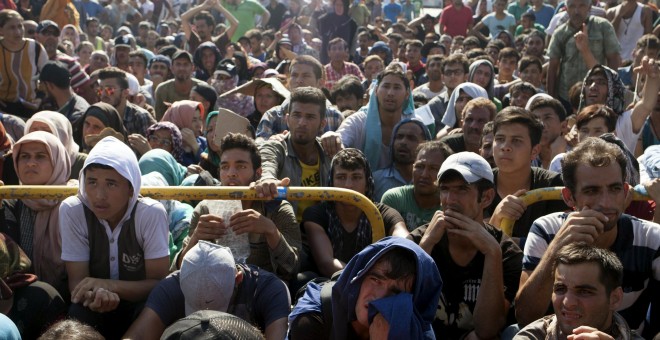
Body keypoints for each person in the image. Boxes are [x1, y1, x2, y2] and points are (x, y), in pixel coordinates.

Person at [514, 138, 660, 338]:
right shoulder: (547, 229)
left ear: (626, 192)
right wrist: (558, 246)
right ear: (569, 197)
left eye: (615, 189)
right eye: (592, 191)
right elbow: (525, 316)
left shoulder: (652, 239)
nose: (606, 202)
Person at [59, 136, 170, 339]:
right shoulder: (73, 210)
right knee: (78, 314)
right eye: (92, 182)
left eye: (111, 184)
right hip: (94, 304)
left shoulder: (150, 214)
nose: (99, 195)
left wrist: (110, 286)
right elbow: (77, 283)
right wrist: (97, 296)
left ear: (131, 187)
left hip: (140, 306)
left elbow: (158, 283)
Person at [409, 152, 523, 339]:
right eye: (445, 189)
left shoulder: (505, 252)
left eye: (462, 189)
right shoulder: (421, 239)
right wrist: (425, 247)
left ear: (486, 198)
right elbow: (400, 307)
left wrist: (491, 253)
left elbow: (487, 330)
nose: (450, 200)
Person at [175, 133, 302, 282]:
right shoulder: (205, 209)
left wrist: (271, 231)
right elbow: (180, 270)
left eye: (240, 166)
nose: (231, 174)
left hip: (261, 291)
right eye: (225, 167)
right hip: (212, 290)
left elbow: (293, 269)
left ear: (258, 173)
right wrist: (196, 237)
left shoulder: (277, 209)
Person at [125, 240, 290, 339]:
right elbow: (137, 336)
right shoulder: (170, 288)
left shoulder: (269, 290)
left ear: (238, 279)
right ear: (181, 280)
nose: (207, 315)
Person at [289, 237, 442, 339]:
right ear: (358, 278)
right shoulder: (312, 321)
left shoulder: (416, 331)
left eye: (396, 292)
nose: (379, 297)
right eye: (375, 280)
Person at [301, 148, 409, 278]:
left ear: (367, 184)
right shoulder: (316, 214)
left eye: (356, 177)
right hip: (330, 283)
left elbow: (405, 242)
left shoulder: (383, 213)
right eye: (341, 177)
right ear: (331, 182)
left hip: (375, 285)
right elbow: (326, 263)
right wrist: (363, 279)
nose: (348, 185)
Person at [515, 243, 642, 340]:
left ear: (615, 298)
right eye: (560, 289)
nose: (568, 302)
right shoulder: (532, 336)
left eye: (584, 292)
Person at [322, 64, 434, 171]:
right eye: (385, 86)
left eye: (397, 87)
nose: (390, 93)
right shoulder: (359, 121)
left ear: (407, 94)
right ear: (376, 91)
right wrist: (331, 136)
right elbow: (340, 139)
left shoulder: (415, 124)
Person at [2, 132, 71, 297]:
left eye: (40, 156)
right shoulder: (9, 201)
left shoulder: (75, 201)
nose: (31, 163)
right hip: (24, 293)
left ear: (58, 161)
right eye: (24, 156)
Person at [487, 107, 568, 246]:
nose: (505, 147)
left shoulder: (554, 184)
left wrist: (514, 243)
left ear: (535, 151)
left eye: (516, 140)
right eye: (500, 139)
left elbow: (563, 242)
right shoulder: (478, 184)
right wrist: (496, 217)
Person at [546, 0, 621, 103]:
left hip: (597, 95)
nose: (576, 11)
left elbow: (613, 59)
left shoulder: (603, 26)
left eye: (581, 6)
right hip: (567, 97)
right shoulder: (559, 33)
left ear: (589, 8)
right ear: (566, 10)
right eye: (572, 6)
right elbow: (553, 68)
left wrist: (612, 91)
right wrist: (552, 99)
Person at [256, 55, 344, 142]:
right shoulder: (272, 116)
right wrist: (271, 143)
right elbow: (260, 149)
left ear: (320, 83)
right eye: (294, 75)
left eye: (306, 76)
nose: (299, 80)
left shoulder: (335, 117)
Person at [381, 141, 451, 230]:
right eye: (420, 166)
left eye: (433, 168)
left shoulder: (450, 207)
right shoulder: (394, 198)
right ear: (412, 167)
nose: (424, 175)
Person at [0, 10, 48, 118]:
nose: (17, 32)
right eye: (11, 28)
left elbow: (47, 76)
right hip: (4, 109)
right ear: (1, 30)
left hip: (32, 107)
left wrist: (40, 99)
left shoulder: (36, 48)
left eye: (19, 26)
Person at [373, 118, 432, 201]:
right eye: (399, 137)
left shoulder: (432, 181)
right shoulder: (376, 180)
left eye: (411, 138)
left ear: (425, 144)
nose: (403, 142)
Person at [25, 110, 87, 179]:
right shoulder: (22, 160)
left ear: (62, 135)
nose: (39, 136)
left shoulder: (84, 164)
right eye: (34, 131)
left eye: (46, 132)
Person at [97, 67, 157, 137]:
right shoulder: (95, 114)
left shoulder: (140, 117)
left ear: (125, 93)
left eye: (110, 90)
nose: (103, 94)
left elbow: (152, 146)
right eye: (100, 90)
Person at [154, 50, 207, 120]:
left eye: (185, 64)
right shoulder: (162, 90)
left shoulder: (203, 88)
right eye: (178, 64)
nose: (182, 68)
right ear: (172, 68)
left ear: (192, 68)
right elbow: (159, 120)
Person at [37, 60, 89, 128]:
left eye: (40, 84)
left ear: (49, 85)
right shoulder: (55, 105)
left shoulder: (76, 117)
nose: (40, 89)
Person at [527, 96, 569, 169]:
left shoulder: (576, 157)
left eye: (547, 118)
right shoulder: (525, 156)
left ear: (563, 126)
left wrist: (557, 156)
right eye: (536, 119)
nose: (541, 124)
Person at [317, 0, 357, 64]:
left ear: (345, 6)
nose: (339, 7)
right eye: (337, 5)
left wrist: (350, 56)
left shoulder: (351, 23)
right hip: (326, 58)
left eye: (341, 5)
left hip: (344, 59)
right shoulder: (325, 20)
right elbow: (319, 35)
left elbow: (354, 42)